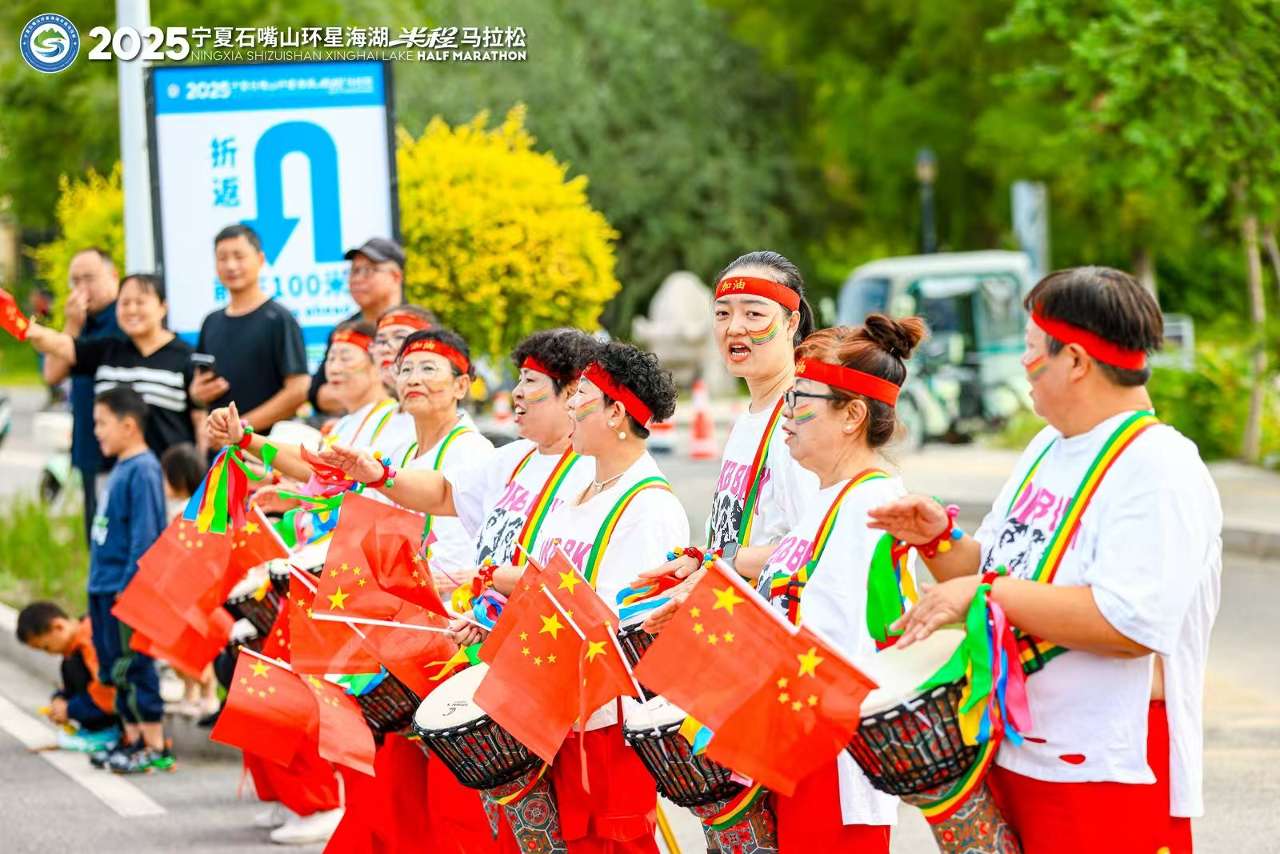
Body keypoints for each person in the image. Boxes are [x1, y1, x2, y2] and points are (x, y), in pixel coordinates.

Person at [869, 267, 1221, 854]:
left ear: (1077, 361)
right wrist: (939, 544)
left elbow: (1127, 624)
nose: (1022, 368)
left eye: (1032, 351)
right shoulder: (1047, 447)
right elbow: (993, 571)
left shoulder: (1159, 467)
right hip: (1017, 749)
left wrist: (982, 596)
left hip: (1107, 769)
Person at [751, 317, 927, 850]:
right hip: (799, 747)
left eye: (801, 398)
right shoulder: (830, 496)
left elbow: (844, 648)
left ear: (852, 415)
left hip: (835, 761)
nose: (787, 414)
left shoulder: (872, 506)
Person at [83, 386, 171, 774]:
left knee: (133, 666)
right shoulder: (121, 465)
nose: (97, 432)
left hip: (125, 589)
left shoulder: (144, 469)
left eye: (102, 423)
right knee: (112, 665)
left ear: (129, 425)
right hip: (103, 586)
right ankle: (131, 736)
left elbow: (145, 534)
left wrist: (131, 584)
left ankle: (154, 743)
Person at [24, 274, 202, 458]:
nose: (132, 310)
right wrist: (26, 327)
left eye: (140, 303)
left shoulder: (186, 357)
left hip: (170, 478)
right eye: (124, 303)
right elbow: (59, 345)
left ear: (163, 307)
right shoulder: (107, 350)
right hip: (112, 475)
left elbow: (201, 421)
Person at [189, 224, 309, 437]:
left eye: (239, 256)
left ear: (260, 259)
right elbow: (198, 390)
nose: (231, 265)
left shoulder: (279, 319)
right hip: (222, 452)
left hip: (268, 453)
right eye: (222, 258)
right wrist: (197, 393)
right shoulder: (211, 322)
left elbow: (298, 390)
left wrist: (242, 428)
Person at [41, 247, 123, 541]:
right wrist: (72, 324)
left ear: (113, 275)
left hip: (128, 445)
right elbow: (52, 373)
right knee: (97, 533)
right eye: (74, 281)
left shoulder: (127, 314)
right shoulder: (78, 321)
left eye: (89, 278)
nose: (81, 288)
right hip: (91, 442)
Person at [310, 238, 408, 415]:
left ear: (395, 277)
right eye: (354, 271)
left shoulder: (418, 326)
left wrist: (354, 389)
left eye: (368, 271)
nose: (357, 279)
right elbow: (318, 395)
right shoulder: (343, 330)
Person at [159, 443, 220, 719]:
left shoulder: (187, 511)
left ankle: (204, 693)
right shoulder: (194, 507)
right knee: (183, 646)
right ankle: (194, 693)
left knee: (190, 645)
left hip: (187, 590)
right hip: (185, 588)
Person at [16, 601, 120, 751]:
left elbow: (108, 691)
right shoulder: (73, 647)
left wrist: (71, 709)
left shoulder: (90, 640)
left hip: (115, 702)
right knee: (69, 663)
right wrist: (60, 699)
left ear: (58, 626)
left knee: (73, 664)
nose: (49, 653)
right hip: (100, 697)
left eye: (46, 647)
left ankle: (107, 731)